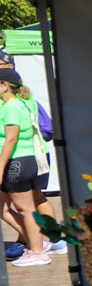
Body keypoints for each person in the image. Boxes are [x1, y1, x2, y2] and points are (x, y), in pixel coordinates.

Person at [0, 72, 47, 267]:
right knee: (3, 208)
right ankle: (35, 243)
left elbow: (11, 139)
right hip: (19, 161)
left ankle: (38, 251)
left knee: (26, 209)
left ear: (4, 85)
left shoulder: (12, 107)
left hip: (17, 162)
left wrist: (0, 167)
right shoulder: (14, 104)